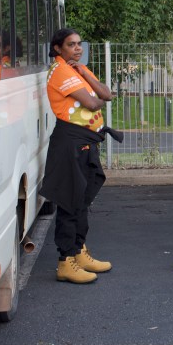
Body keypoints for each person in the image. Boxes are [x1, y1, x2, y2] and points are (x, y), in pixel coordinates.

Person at [41, 28, 118, 284]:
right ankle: (66, 261)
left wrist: (84, 71)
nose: (77, 48)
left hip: (85, 142)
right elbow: (94, 103)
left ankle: (79, 250)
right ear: (58, 49)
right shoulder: (61, 71)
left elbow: (107, 94)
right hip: (70, 143)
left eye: (79, 44)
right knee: (70, 201)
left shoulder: (76, 69)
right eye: (71, 45)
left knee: (83, 199)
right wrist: (91, 88)